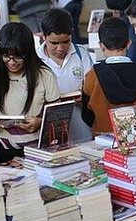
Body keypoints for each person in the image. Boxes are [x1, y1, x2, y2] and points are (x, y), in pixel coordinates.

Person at [0, 22, 60, 163]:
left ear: (28, 53)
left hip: (38, 149)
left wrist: (40, 122)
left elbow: (57, 116)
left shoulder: (44, 75)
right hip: (3, 147)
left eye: (18, 57)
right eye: (6, 56)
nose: (12, 63)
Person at [81, 17, 136, 134]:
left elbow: (87, 117)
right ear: (129, 43)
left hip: (103, 142)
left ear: (101, 45)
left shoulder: (92, 76)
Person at [36, 8, 93, 143]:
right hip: (46, 121)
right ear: (43, 37)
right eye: (54, 43)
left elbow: (91, 85)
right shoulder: (35, 58)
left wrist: (84, 95)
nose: (60, 48)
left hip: (78, 117)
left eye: (65, 42)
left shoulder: (81, 54)